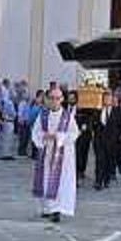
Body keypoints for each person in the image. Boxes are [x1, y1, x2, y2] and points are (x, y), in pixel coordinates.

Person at [31, 87, 79, 222]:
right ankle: (47, 208)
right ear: (47, 99)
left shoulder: (67, 117)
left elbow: (74, 134)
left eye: (57, 98)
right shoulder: (43, 115)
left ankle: (57, 210)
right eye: (51, 98)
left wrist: (59, 137)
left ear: (62, 99)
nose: (54, 101)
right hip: (46, 154)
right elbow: (35, 132)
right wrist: (43, 136)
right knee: (45, 180)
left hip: (62, 157)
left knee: (60, 182)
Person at [92, 90, 121, 190]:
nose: (107, 100)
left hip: (112, 141)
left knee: (108, 161)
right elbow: (93, 123)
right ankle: (98, 181)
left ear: (111, 100)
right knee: (99, 160)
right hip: (99, 140)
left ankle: (106, 179)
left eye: (109, 98)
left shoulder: (117, 111)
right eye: (105, 98)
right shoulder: (97, 110)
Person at [28, 90, 46, 159]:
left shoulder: (43, 106)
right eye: (41, 96)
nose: (43, 98)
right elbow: (32, 117)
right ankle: (35, 154)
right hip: (35, 126)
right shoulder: (36, 107)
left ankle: (38, 154)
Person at [0, 93, 16, 160]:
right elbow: (13, 113)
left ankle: (6, 153)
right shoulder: (9, 103)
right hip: (9, 121)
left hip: (6, 121)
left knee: (7, 139)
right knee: (8, 139)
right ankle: (7, 154)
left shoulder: (3, 102)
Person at [16, 93, 31, 157]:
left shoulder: (27, 104)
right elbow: (20, 113)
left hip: (27, 123)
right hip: (23, 123)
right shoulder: (22, 104)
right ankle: (21, 151)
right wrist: (21, 121)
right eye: (28, 96)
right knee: (23, 138)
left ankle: (24, 150)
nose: (29, 98)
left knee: (26, 138)